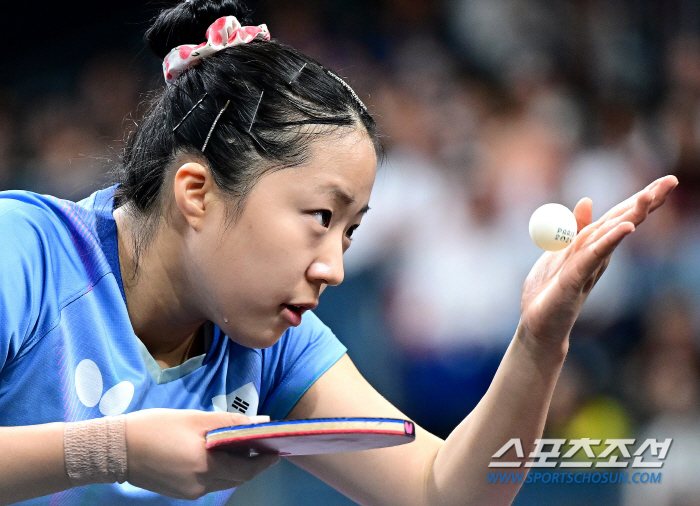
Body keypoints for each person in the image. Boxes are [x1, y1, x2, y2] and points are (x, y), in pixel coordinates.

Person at [0, 1, 678, 505]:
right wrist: (110, 449)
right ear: (197, 192)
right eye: (320, 218)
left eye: (349, 232)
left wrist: (539, 338)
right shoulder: (25, 254)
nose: (335, 266)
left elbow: (445, 493)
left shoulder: (272, 345)